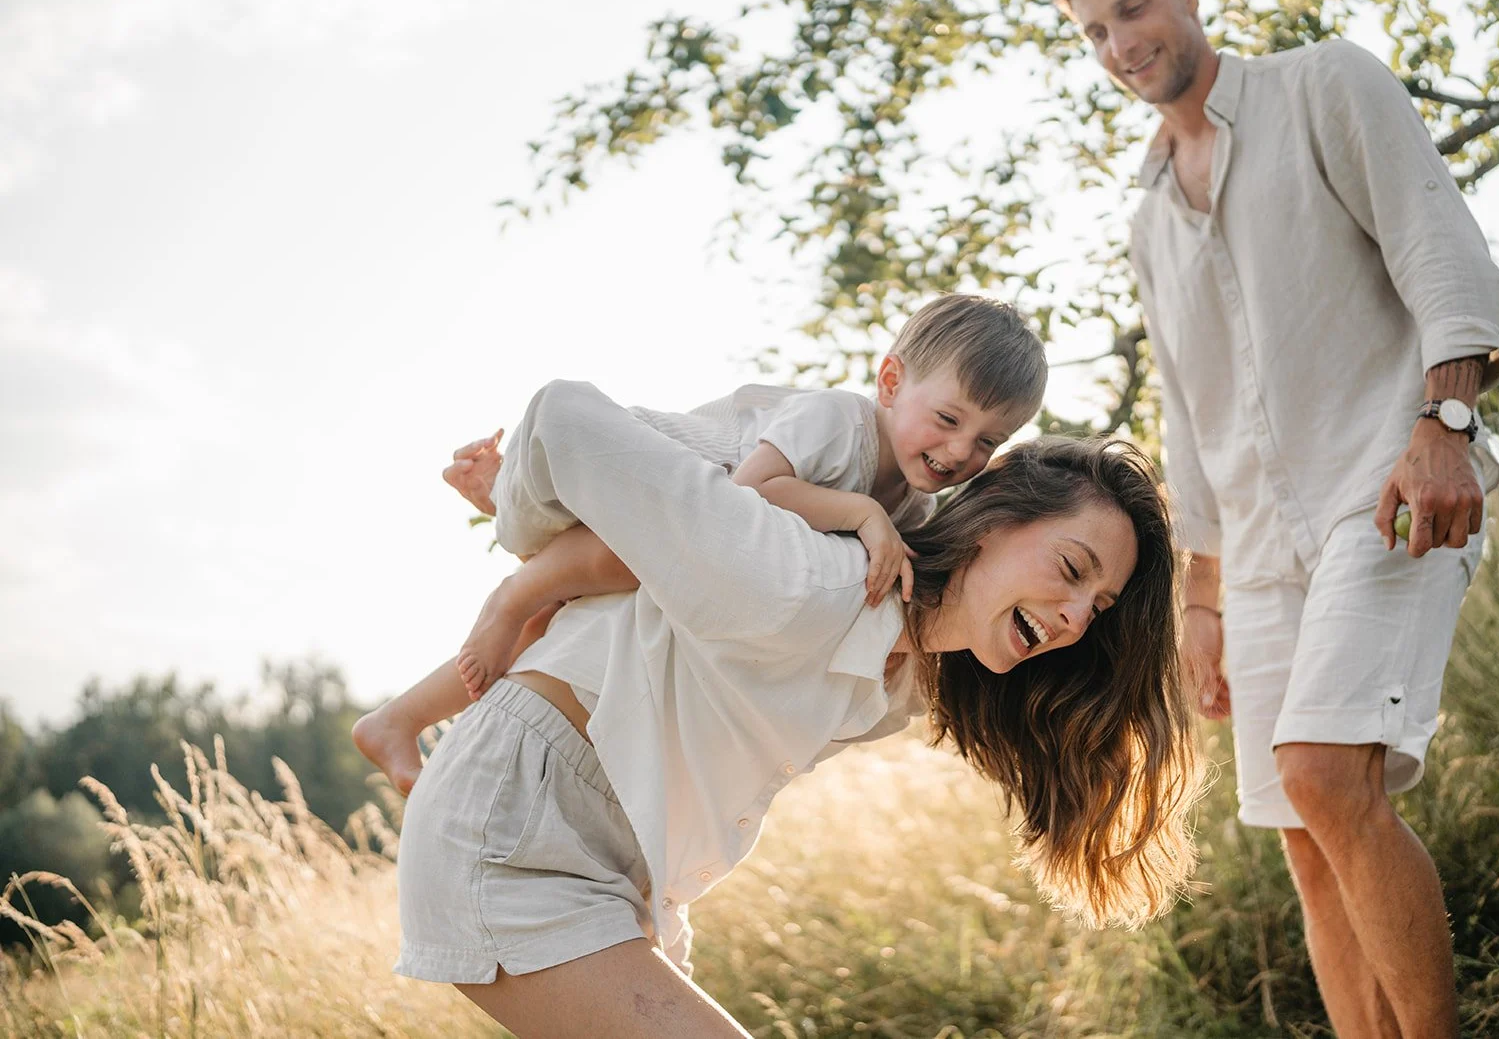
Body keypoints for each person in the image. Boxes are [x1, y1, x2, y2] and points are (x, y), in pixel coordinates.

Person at [392, 377, 1201, 1037]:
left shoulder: (914, 673)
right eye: (1071, 568)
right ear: (991, 525)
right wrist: (517, 546)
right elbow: (565, 417)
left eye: (1097, 606)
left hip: (622, 868)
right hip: (516, 824)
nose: (1074, 616)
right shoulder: (792, 574)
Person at [1051, 0, 1499, 1034]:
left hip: (1386, 485)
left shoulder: (1324, 86)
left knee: (1321, 773)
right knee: (1305, 843)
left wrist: (1444, 425)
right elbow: (1190, 413)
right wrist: (1202, 601)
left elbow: (1441, 252)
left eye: (1131, 7)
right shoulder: (1149, 220)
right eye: (1092, 31)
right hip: (1257, 553)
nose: (1119, 43)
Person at [353, 293, 1048, 795]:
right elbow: (746, 495)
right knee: (561, 587)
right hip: (664, 478)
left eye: (988, 440)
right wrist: (863, 512)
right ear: (892, 382)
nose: (961, 449)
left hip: (669, 550)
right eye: (949, 418)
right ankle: (503, 494)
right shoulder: (840, 423)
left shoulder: (917, 504)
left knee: (549, 631)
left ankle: (398, 719)